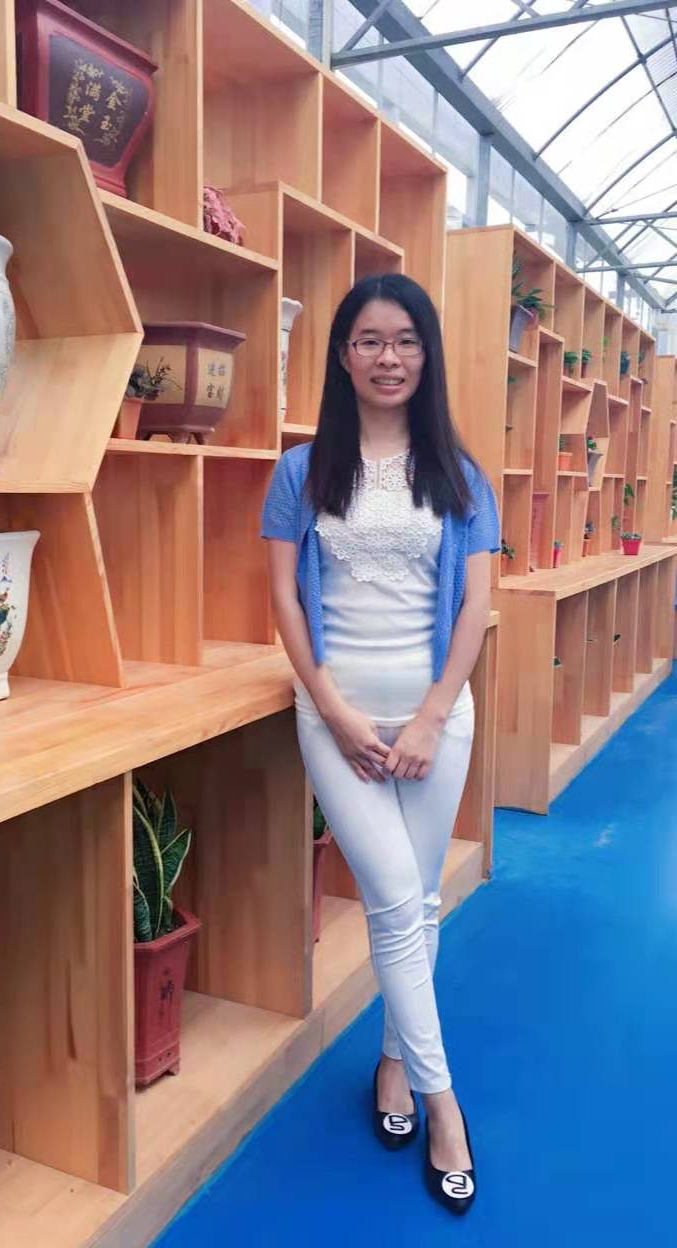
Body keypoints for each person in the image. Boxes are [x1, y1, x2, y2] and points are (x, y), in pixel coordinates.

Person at [261, 273, 498, 1216]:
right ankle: (445, 1108)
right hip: (338, 721)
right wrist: (332, 708)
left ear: (426, 354)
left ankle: (395, 1065)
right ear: (342, 355)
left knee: (421, 902)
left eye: (405, 340)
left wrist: (434, 714)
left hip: (438, 718)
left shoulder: (460, 474)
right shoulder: (302, 470)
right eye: (369, 340)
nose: (388, 357)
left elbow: (476, 605)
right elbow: (285, 599)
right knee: (396, 899)